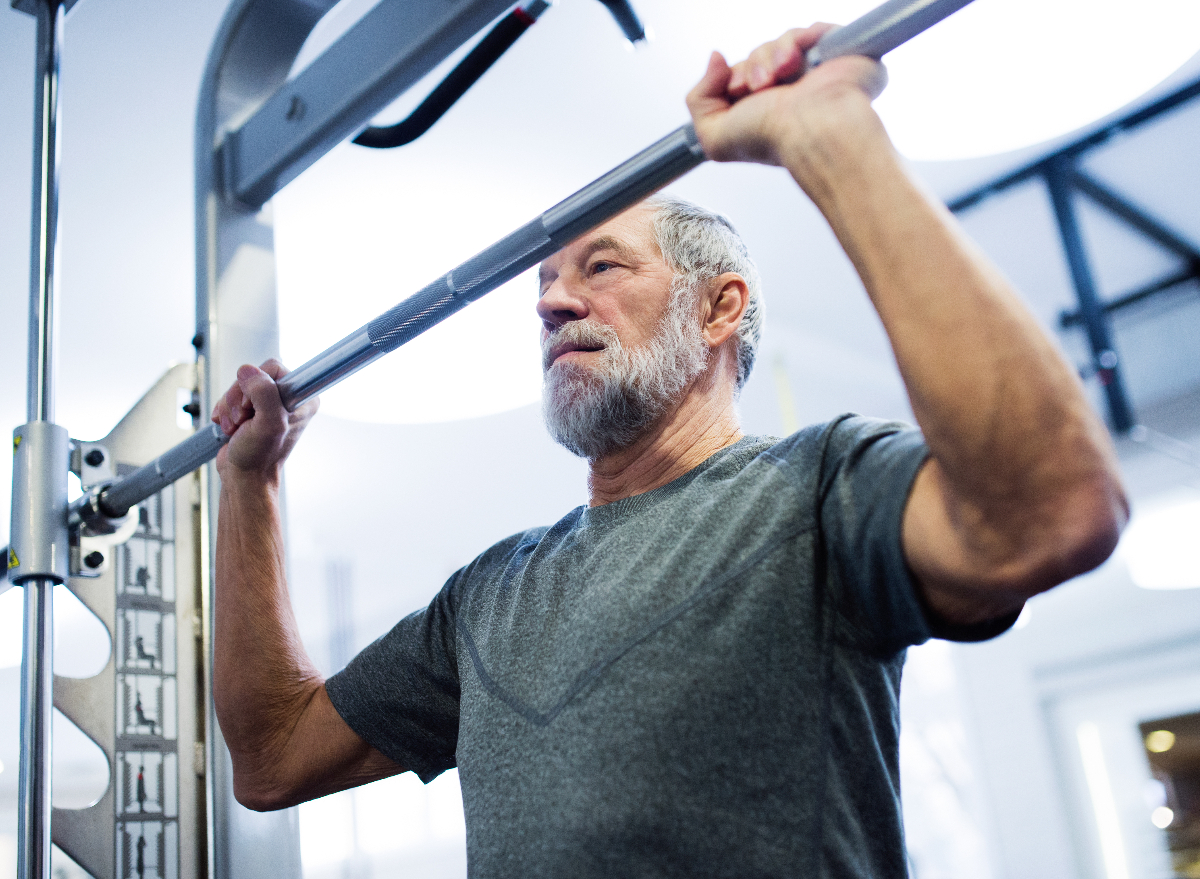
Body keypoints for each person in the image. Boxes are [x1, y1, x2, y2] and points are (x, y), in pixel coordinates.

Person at [210, 25, 1128, 877]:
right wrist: (251, 483)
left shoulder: (814, 493)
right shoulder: (488, 598)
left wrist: (831, 137)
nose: (549, 302)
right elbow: (272, 754)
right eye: (543, 282)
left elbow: (1046, 513)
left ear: (719, 308)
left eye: (600, 266)